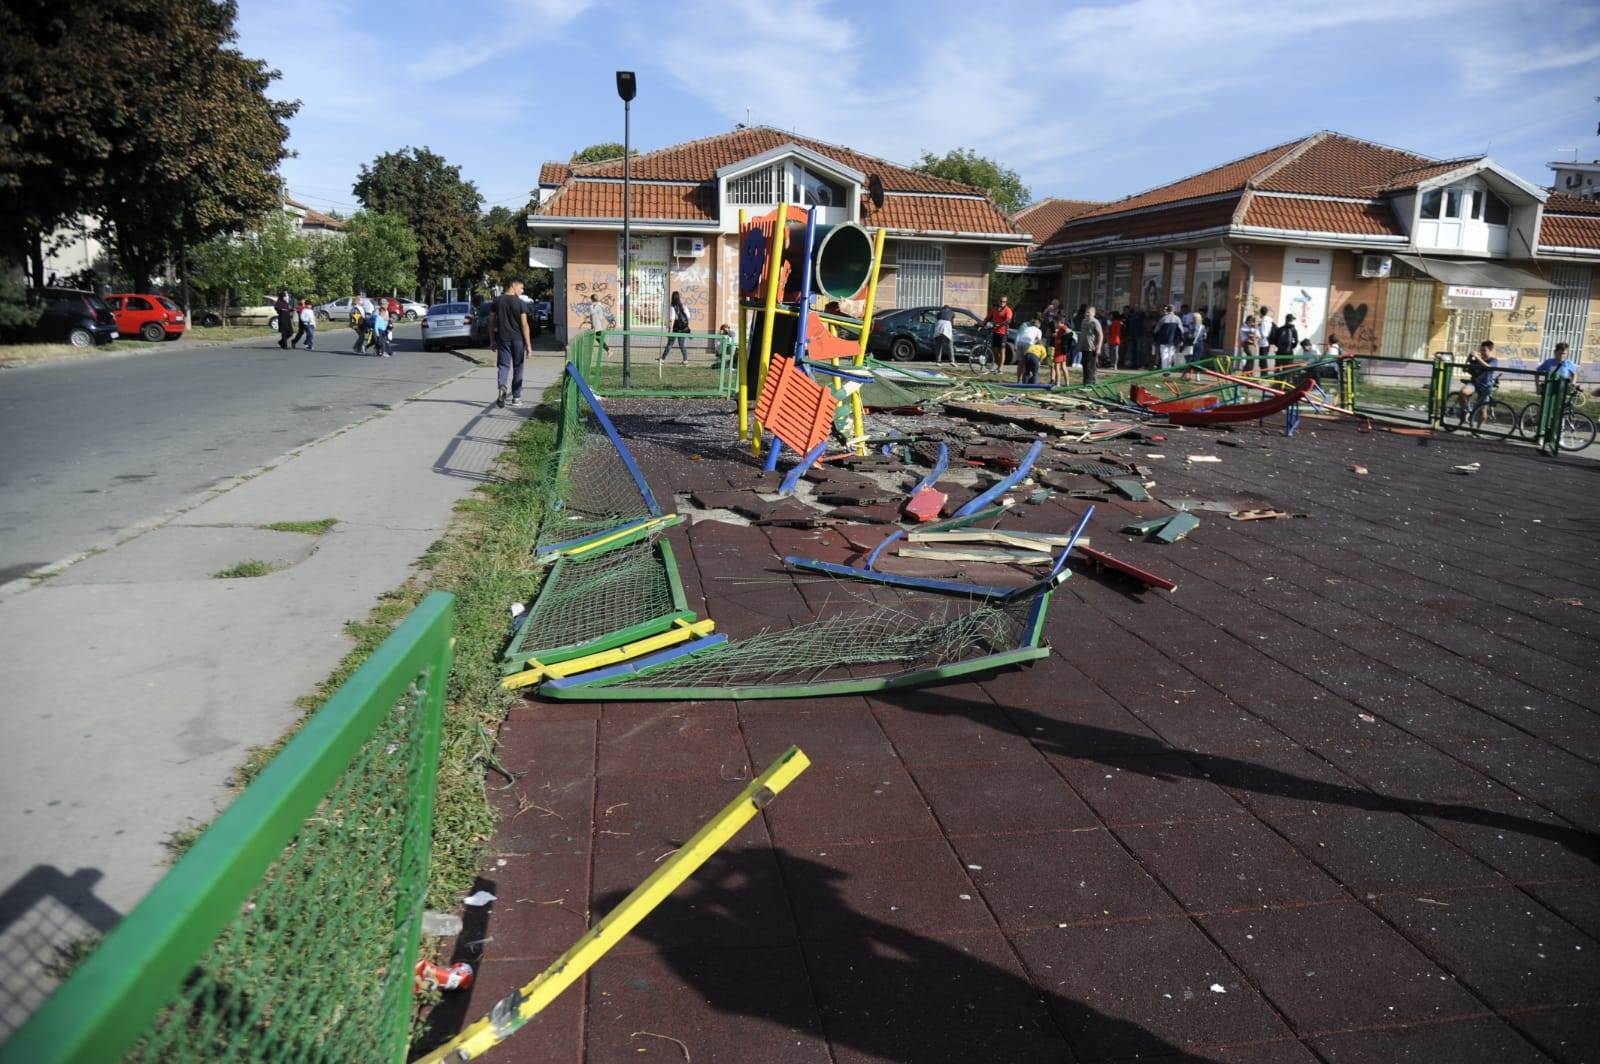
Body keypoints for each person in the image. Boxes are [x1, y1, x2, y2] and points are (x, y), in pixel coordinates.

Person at [489, 275, 533, 408]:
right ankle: (516, 397)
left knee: (503, 366)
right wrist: (529, 346)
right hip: (518, 340)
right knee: (518, 367)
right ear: (513, 286)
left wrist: (492, 340)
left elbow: (491, 322)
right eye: (521, 288)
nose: (522, 291)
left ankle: (502, 386)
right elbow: (524, 325)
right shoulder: (520, 303)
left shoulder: (497, 301)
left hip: (503, 339)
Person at [660, 290, 690, 363]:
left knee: (670, 343)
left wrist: (670, 330)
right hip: (683, 329)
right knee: (682, 344)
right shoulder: (684, 306)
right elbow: (688, 317)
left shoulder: (673, 307)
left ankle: (663, 359)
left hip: (676, 328)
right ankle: (685, 360)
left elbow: (672, 319)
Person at [983, 296, 1013, 369]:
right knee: (994, 351)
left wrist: (1000, 324)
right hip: (995, 331)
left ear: (1006, 302)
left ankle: (1000, 368)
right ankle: (998, 365)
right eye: (1001, 301)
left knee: (1002, 351)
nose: (1002, 303)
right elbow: (988, 318)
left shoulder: (1008, 310)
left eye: (1004, 301)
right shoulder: (994, 309)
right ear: (998, 301)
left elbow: (1008, 320)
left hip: (1003, 333)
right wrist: (982, 324)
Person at [1078, 305, 1104, 386]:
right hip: (1084, 347)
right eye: (1086, 312)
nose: (1087, 314)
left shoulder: (1095, 322)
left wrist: (1099, 347)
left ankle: (1090, 383)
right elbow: (1083, 334)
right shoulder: (1083, 321)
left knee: (1090, 367)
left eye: (1089, 312)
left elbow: (1100, 335)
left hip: (1091, 348)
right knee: (1084, 365)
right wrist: (1080, 345)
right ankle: (1085, 382)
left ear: (1093, 313)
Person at [1153, 305, 1183, 369]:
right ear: (1174, 310)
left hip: (1163, 340)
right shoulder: (1177, 319)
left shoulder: (1163, 319)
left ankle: (1164, 369)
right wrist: (1181, 340)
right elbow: (1181, 331)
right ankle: (1169, 368)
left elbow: (1156, 330)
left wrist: (1155, 339)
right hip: (1173, 341)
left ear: (1167, 310)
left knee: (1164, 355)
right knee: (1171, 355)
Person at [1050, 319, 1075, 387]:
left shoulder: (1063, 327)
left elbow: (1071, 333)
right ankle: (1067, 383)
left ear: (1059, 322)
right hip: (1061, 351)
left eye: (1056, 323)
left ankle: (1058, 383)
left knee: (1057, 366)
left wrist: (1062, 339)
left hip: (1059, 351)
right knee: (1063, 367)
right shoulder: (1060, 329)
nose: (1055, 324)